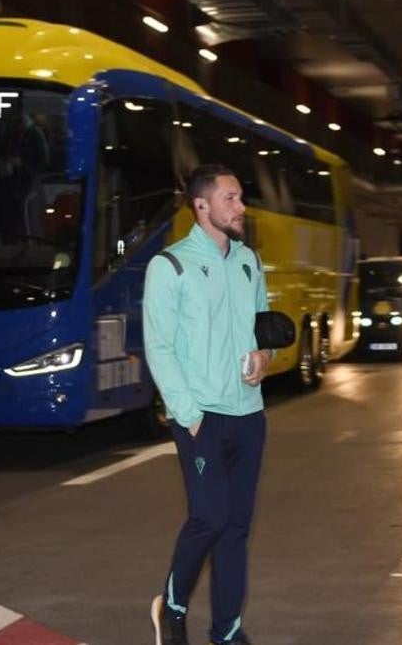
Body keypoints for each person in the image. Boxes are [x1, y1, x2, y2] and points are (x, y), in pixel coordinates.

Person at [144, 164, 271, 645]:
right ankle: (172, 608)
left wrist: (265, 356)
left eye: (240, 198)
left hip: (249, 414)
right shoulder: (169, 266)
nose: (241, 207)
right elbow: (159, 347)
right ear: (202, 205)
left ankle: (227, 629)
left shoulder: (248, 262)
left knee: (236, 528)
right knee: (211, 517)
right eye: (232, 198)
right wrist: (188, 415)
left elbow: (263, 328)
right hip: (201, 417)